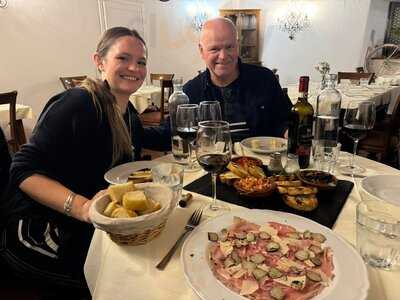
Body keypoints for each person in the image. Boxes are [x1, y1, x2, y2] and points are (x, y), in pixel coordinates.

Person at [0, 27, 169, 297]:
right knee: (114, 282)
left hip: (90, 223)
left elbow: (143, 138)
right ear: (99, 61)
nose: (134, 68)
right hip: (41, 228)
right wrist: (82, 207)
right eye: (123, 58)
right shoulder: (78, 103)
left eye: (141, 62)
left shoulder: (128, 113)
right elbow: (22, 169)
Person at [183, 17, 292, 141]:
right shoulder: (191, 91)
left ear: (238, 45)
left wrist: (289, 132)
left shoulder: (265, 79)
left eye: (229, 47)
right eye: (214, 49)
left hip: (262, 159)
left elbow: (285, 120)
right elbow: (172, 131)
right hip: (212, 159)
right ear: (201, 51)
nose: (223, 56)